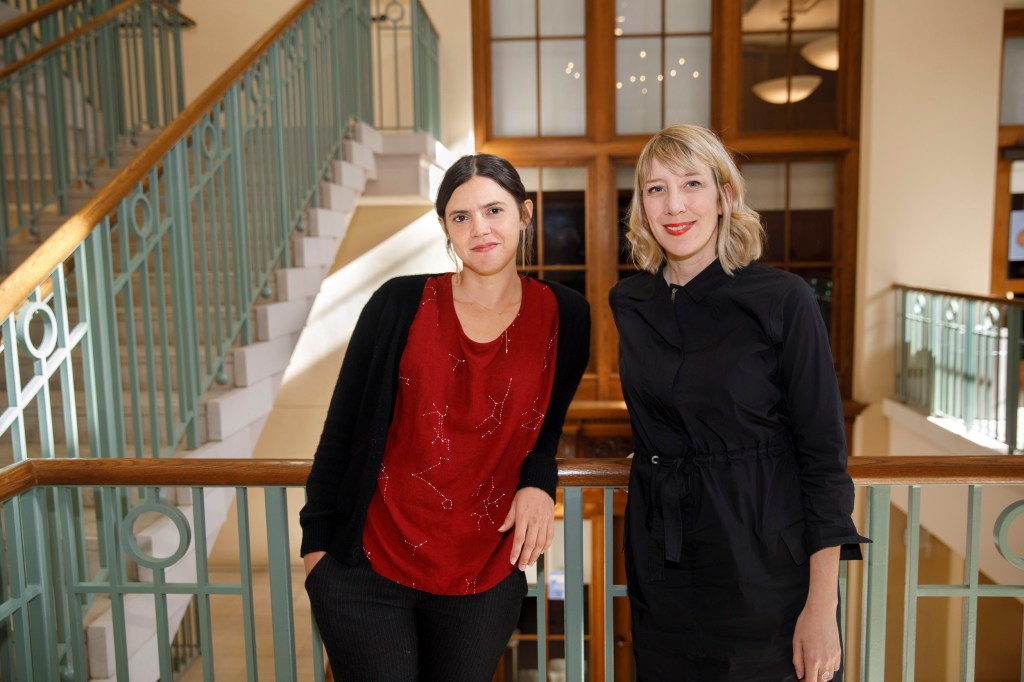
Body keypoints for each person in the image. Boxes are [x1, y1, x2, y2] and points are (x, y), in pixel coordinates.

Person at [299, 153, 591, 680]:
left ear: (525, 214)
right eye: (461, 217)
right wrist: (317, 551)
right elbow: (342, 429)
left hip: (482, 573)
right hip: (366, 565)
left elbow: (547, 425)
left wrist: (539, 479)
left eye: (494, 210)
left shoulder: (566, 315)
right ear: (445, 229)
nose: (480, 228)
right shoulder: (399, 303)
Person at [609, 124, 868, 682]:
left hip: (763, 567)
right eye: (655, 189)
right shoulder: (630, 301)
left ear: (725, 196)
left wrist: (822, 609)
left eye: (692, 184)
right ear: (642, 206)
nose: (674, 205)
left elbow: (823, 461)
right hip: (662, 565)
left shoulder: (783, 300)